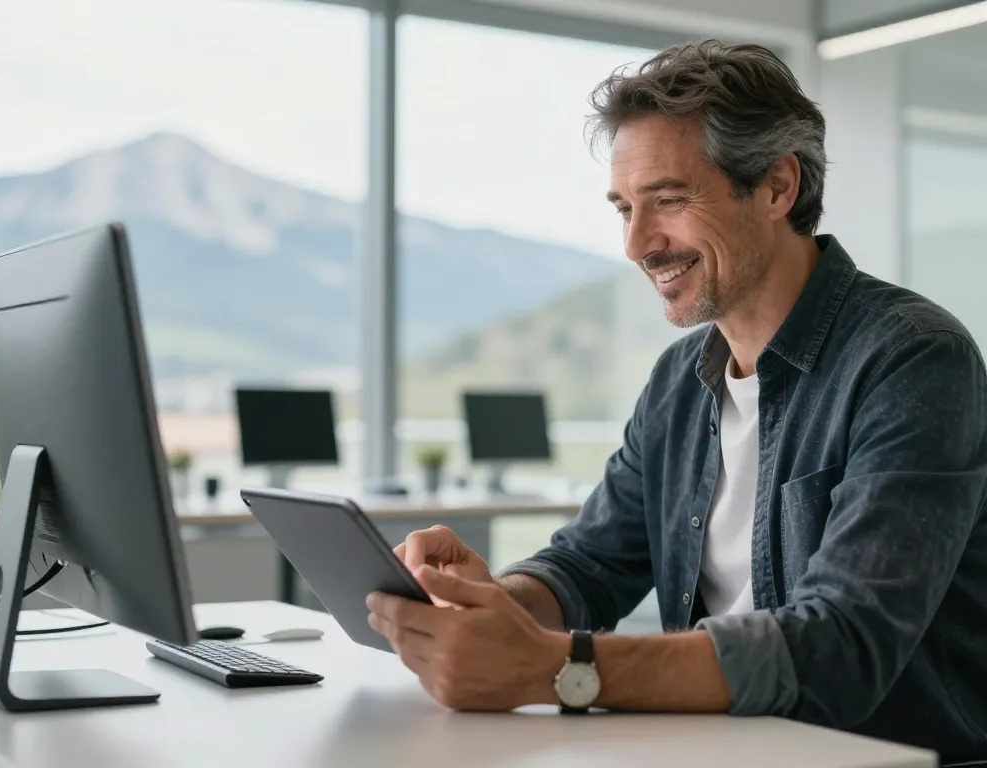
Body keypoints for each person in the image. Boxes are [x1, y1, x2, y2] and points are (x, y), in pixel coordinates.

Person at [365, 39, 987, 763]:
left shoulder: (912, 358)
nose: (636, 243)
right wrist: (497, 603)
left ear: (778, 187)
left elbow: (843, 646)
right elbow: (589, 564)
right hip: (716, 749)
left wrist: (554, 667)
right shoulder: (678, 381)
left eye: (669, 200)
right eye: (624, 207)